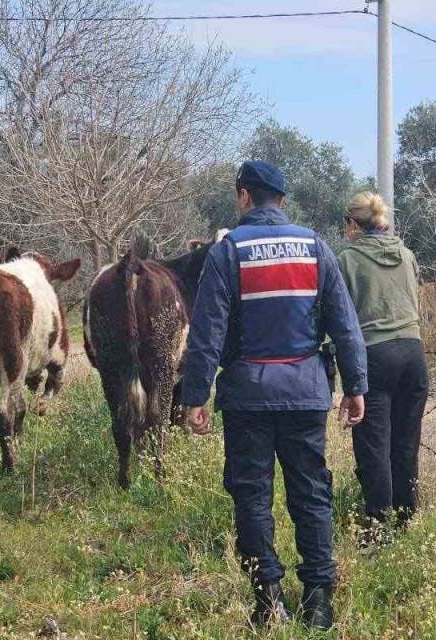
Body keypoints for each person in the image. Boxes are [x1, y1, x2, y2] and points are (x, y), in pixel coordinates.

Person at [180, 161, 367, 629]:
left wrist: (195, 395)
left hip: (247, 398)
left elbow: (207, 332)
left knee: (252, 497)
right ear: (281, 200)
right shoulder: (315, 247)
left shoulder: (228, 253)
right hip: (305, 393)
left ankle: (268, 601)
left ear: (244, 196)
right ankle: (319, 602)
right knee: (311, 494)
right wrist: (356, 386)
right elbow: (344, 324)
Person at [337, 192, 428, 542]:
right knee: (405, 443)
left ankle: (377, 527)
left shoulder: (348, 259)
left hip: (376, 355)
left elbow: (343, 321)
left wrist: (346, 377)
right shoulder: (406, 255)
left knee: (374, 445)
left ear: (352, 224)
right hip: (413, 352)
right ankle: (407, 520)